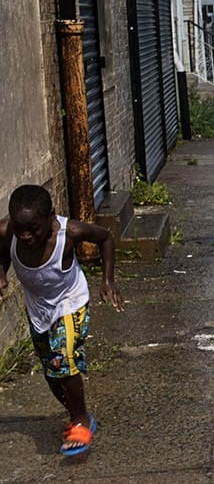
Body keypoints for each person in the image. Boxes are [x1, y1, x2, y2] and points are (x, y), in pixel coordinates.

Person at [0, 185, 124, 456]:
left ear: (51, 218)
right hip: (39, 309)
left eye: (33, 228)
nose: (25, 236)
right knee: (51, 372)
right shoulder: (7, 231)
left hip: (70, 301)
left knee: (62, 358)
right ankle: (77, 415)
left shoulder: (69, 233)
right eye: (19, 229)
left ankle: (80, 420)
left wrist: (107, 280)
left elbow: (105, 238)